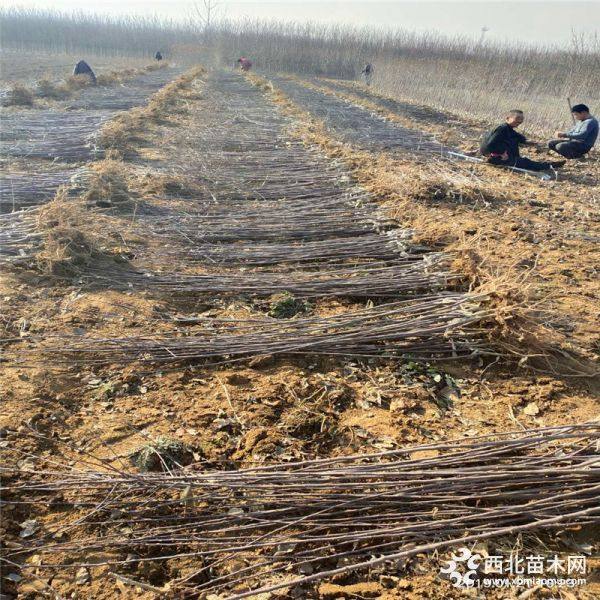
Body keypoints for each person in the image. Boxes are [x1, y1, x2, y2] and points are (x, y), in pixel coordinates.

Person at [480, 110, 565, 172]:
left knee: (515, 141)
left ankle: (546, 165)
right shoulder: (502, 129)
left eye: (521, 120)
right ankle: (549, 166)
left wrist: (527, 141)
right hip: (496, 156)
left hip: (496, 154)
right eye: (517, 119)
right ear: (507, 118)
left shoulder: (507, 128)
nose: (519, 121)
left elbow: (517, 136)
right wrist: (502, 153)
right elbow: (490, 145)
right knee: (525, 162)